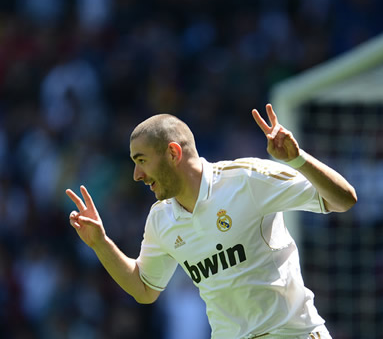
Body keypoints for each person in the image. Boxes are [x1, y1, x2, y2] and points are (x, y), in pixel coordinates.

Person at [66, 104, 357, 339]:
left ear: (173, 153)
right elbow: (144, 289)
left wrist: (298, 160)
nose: (136, 175)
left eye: (141, 160)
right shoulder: (161, 219)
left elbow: (343, 199)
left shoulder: (246, 180)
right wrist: (100, 244)